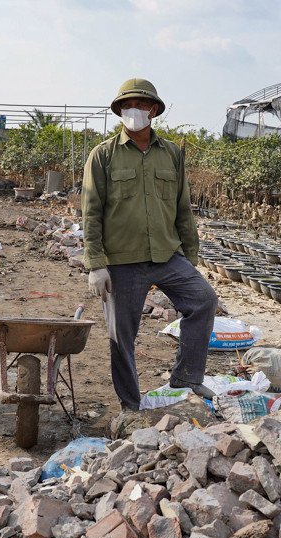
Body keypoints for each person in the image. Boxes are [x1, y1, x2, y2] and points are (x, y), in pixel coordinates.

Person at [82, 78, 219, 411]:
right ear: (119, 112)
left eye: (141, 105)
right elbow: (92, 211)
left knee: (203, 299)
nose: (134, 111)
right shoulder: (103, 156)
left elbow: (182, 207)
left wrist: (189, 256)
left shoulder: (171, 154)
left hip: (165, 255)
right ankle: (131, 409)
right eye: (127, 106)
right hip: (122, 261)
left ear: (154, 110)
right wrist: (96, 265)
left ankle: (187, 375)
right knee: (122, 339)